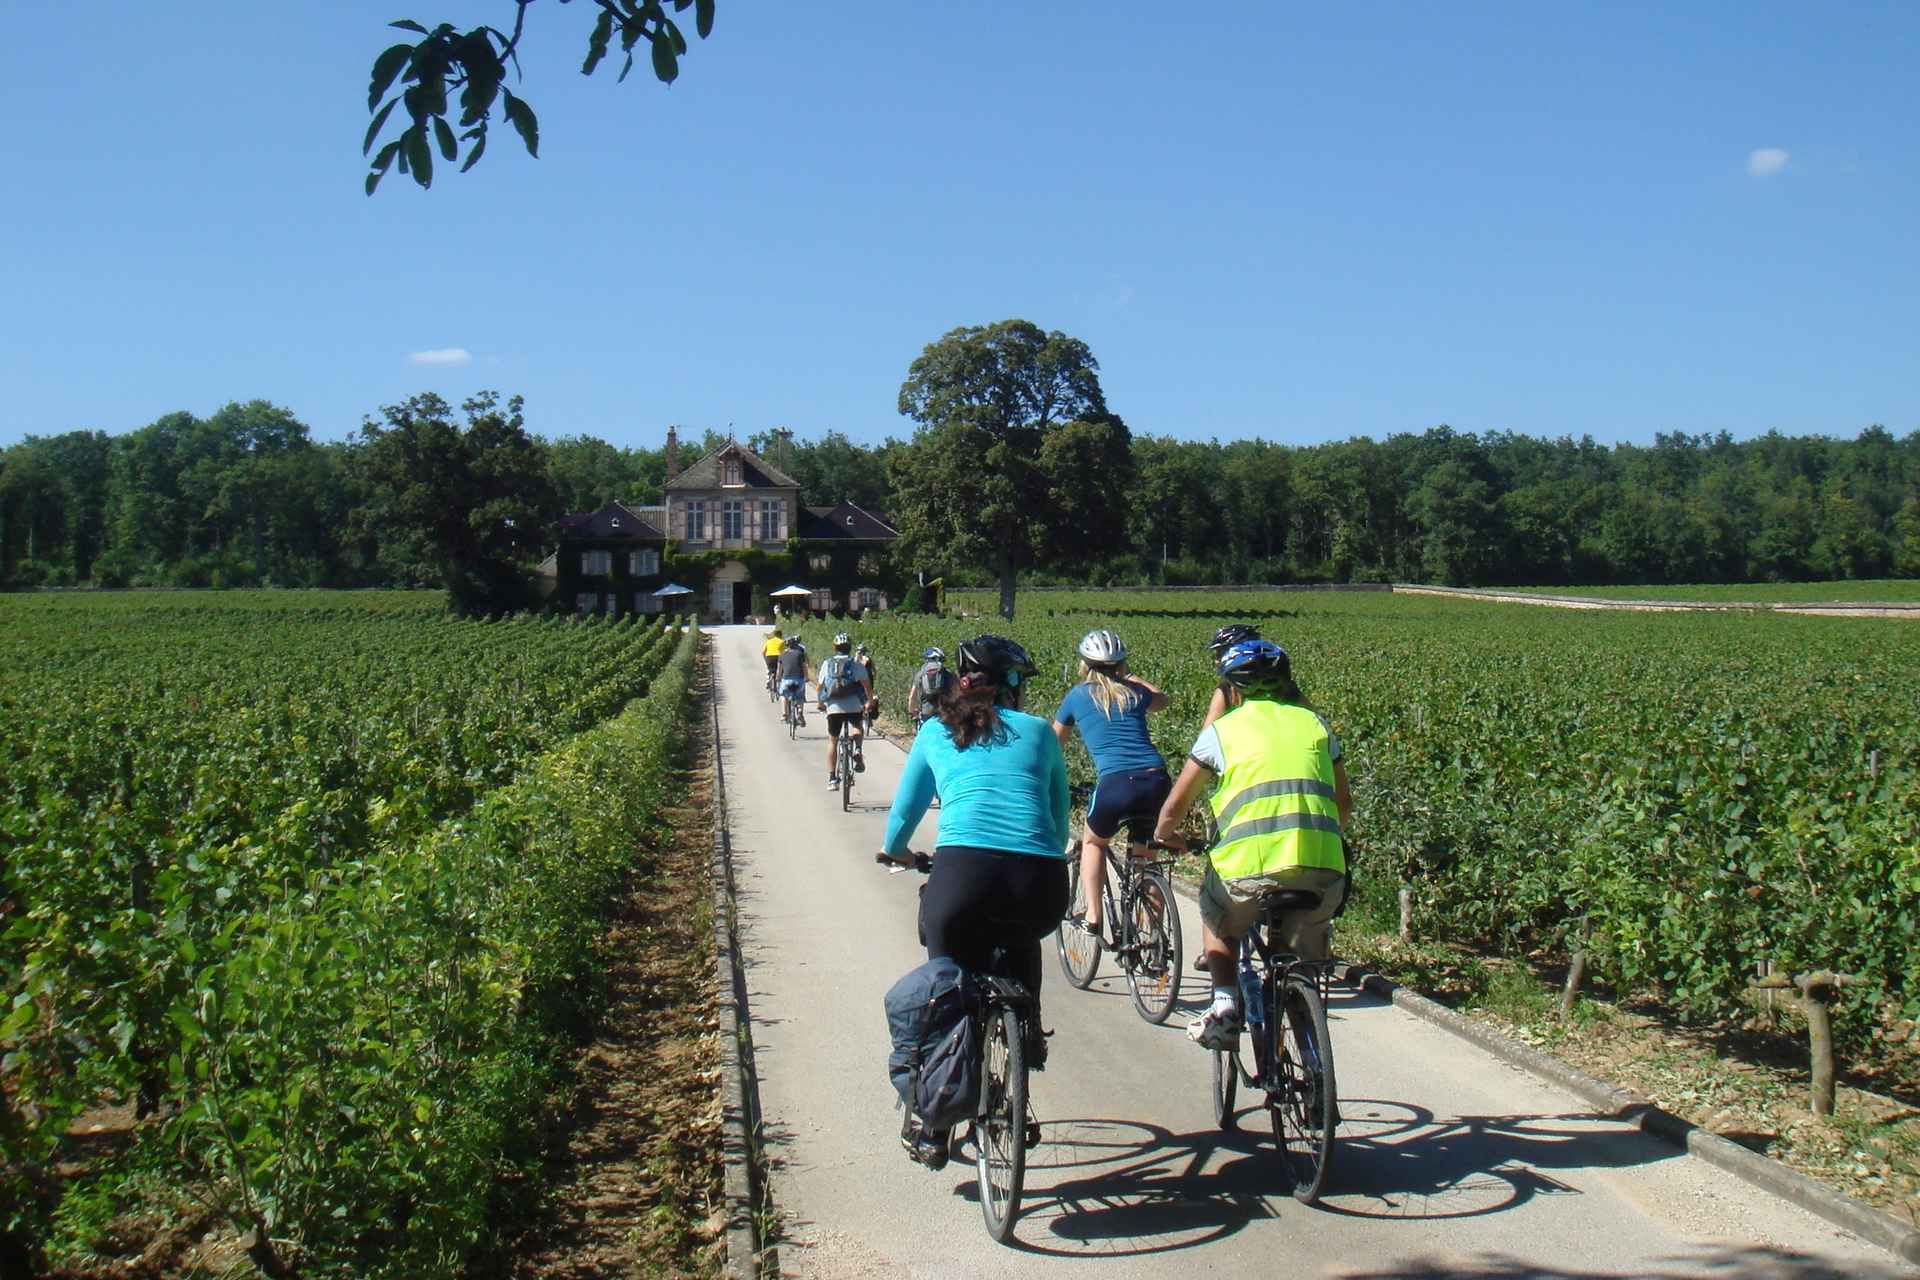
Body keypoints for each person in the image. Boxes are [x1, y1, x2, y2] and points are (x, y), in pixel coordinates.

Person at [880, 635, 1069, 1129]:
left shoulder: (934, 733)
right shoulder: (1040, 733)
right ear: (1011, 688)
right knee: (1021, 933)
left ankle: (933, 1125)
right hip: (1041, 883)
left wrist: (899, 852)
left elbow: (903, 815)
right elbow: (1059, 822)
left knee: (944, 986)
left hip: (962, 878)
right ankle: (1026, 1028)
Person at [1153, 639, 1351, 1050]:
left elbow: (1175, 807)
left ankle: (1223, 1003)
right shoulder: (1316, 725)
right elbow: (1344, 806)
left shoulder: (1220, 734)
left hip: (1246, 871)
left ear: (1233, 690)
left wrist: (1165, 836)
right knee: (1298, 956)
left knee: (1215, 918)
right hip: (1322, 869)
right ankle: (1308, 1051)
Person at [1051, 629, 1171, 941]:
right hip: (1157, 779)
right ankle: (1154, 938)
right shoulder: (1135, 692)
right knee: (1145, 858)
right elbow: (1163, 701)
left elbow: (1052, 746)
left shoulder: (1077, 696)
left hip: (1117, 783)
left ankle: (1093, 916)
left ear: (1084, 665)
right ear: (1120, 664)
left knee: (1094, 843)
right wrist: (1131, 676)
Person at [817, 633, 872, 784]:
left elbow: (820, 686)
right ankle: (858, 749)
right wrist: (869, 702)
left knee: (833, 741)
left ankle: (832, 778)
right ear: (850, 648)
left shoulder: (827, 664)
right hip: (854, 705)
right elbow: (867, 686)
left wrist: (820, 703)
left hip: (834, 707)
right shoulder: (856, 664)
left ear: (835, 648)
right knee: (857, 726)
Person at [1201, 623, 1260, 730]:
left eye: (1220, 654)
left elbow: (1207, 732)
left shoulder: (1227, 688)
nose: (1216, 661)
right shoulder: (1280, 681)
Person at [906, 647, 954, 724]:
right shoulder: (949, 674)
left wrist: (911, 712)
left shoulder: (920, 674)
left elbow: (912, 696)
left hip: (926, 713)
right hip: (944, 714)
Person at [775, 636, 809, 727]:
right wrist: (806, 677)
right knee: (800, 697)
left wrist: (778, 678)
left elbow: (779, 669)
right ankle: (800, 712)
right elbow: (804, 667)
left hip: (786, 679)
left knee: (783, 695)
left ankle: (784, 714)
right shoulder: (800, 654)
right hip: (799, 679)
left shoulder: (782, 655)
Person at [853, 643, 881, 731]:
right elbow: (874, 670)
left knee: (862, 698)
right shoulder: (868, 659)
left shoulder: (858, 659)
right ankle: (868, 715)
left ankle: (865, 715)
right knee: (869, 696)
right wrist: (874, 676)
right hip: (869, 681)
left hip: (861, 681)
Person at [762, 627, 786, 697]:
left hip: (769, 657)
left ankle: (769, 680)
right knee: (781, 671)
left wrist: (765, 660)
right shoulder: (782, 641)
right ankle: (780, 684)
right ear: (780, 635)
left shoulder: (768, 641)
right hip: (778, 657)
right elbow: (784, 652)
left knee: (770, 670)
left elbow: (763, 652)